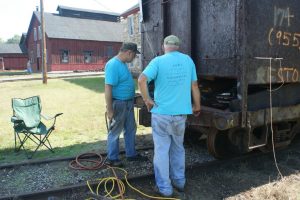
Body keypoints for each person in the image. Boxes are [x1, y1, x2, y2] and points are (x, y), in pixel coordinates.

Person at [138, 35, 201, 197]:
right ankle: (179, 181)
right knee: (178, 148)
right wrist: (197, 105)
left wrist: (147, 100)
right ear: (178, 46)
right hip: (181, 115)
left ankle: (165, 188)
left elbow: (142, 80)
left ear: (164, 46)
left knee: (161, 151)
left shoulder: (158, 61)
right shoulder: (188, 60)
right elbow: (194, 85)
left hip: (161, 115)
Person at [105, 42, 148, 167]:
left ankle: (131, 154)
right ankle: (112, 158)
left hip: (128, 103)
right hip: (118, 103)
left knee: (130, 129)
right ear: (129, 52)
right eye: (134, 55)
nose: (134, 58)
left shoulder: (122, 64)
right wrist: (110, 109)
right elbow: (108, 88)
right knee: (115, 131)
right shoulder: (113, 65)